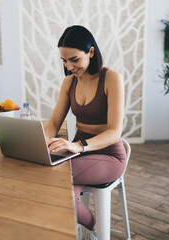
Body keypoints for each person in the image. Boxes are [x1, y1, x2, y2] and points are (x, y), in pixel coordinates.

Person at [44, 25, 126, 232]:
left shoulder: (112, 78)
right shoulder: (68, 82)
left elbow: (115, 132)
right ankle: (91, 230)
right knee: (60, 192)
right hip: (78, 153)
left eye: (74, 59)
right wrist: (41, 140)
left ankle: (94, 229)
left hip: (109, 155)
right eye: (64, 60)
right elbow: (53, 124)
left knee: (56, 177)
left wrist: (79, 146)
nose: (69, 66)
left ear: (90, 52)